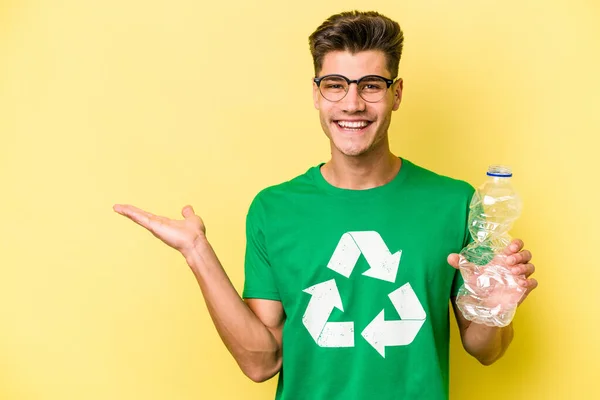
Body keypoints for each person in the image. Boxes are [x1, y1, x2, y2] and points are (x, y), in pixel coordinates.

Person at [113, 10, 538, 400]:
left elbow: (485, 350)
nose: (352, 104)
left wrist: (495, 311)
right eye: (335, 85)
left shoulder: (456, 202)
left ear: (397, 93)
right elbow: (261, 363)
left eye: (371, 85)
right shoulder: (274, 209)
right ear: (317, 94)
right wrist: (197, 253)